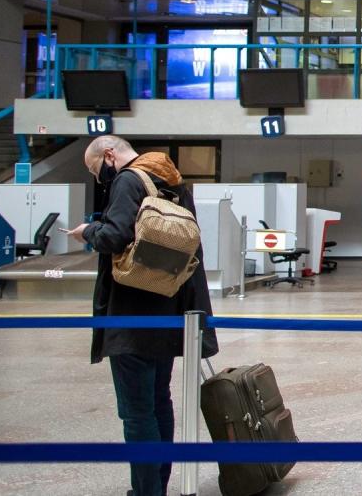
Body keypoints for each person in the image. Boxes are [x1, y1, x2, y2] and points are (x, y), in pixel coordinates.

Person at [67, 136, 218, 496]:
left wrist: (87, 231)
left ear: (109, 155)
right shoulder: (173, 180)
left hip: (131, 312)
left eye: (96, 169)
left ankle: (146, 491)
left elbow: (116, 236)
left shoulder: (128, 180)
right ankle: (157, 486)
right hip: (168, 308)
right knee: (159, 401)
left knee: (136, 412)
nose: (100, 177)